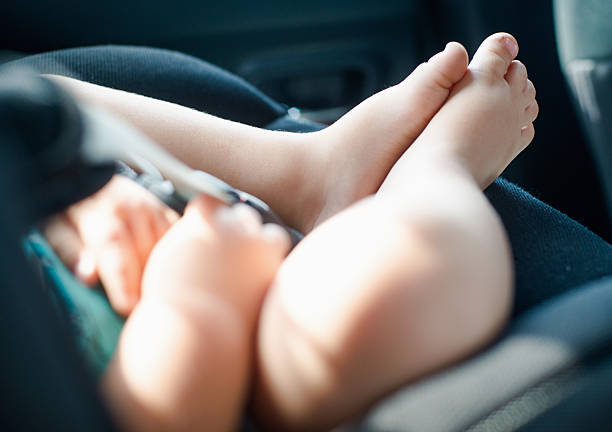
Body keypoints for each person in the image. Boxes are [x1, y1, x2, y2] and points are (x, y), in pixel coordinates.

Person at [44, 32, 537, 431]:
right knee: (380, 307)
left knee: (38, 98)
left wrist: (62, 186)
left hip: (69, 225)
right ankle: (437, 163)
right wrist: (200, 302)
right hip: (206, 347)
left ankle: (307, 176)